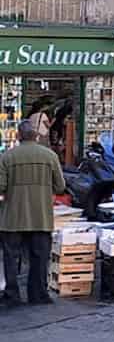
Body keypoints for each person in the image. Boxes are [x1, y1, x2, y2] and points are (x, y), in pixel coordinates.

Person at [0, 121, 66, 306]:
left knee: (11, 257)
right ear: (36, 136)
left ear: (19, 136)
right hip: (41, 216)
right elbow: (60, 186)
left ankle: (12, 295)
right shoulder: (49, 156)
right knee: (40, 257)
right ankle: (37, 294)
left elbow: (1, 186)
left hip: (12, 216)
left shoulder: (7, 157)